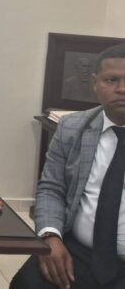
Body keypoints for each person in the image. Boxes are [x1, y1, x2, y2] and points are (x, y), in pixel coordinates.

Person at [10, 43, 125, 289]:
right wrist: (50, 235)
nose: (122, 89)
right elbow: (52, 188)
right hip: (79, 252)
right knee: (27, 283)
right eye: (111, 80)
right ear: (95, 83)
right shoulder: (72, 127)